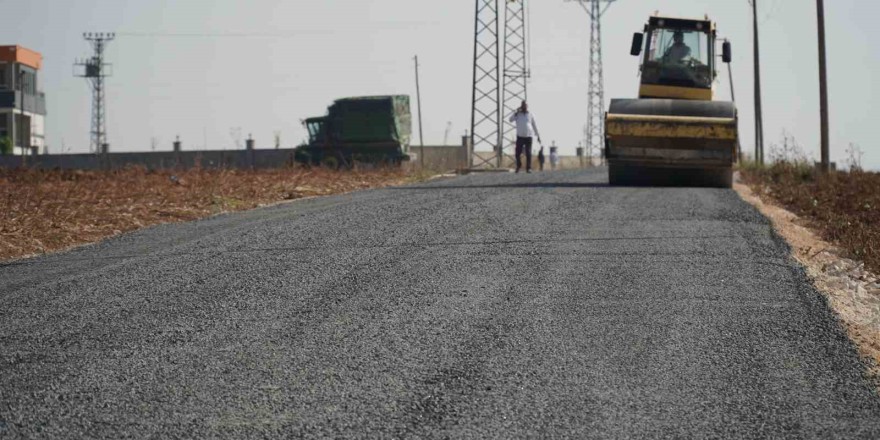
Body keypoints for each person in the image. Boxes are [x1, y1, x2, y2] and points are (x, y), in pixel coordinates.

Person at [508, 101, 542, 173]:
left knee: (528, 153)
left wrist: (538, 135)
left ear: (527, 106)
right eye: (523, 106)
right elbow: (510, 120)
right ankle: (519, 165)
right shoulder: (518, 115)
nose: (524, 107)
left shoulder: (530, 114)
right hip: (520, 136)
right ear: (521, 106)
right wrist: (516, 112)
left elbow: (534, 125)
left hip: (528, 136)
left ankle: (528, 168)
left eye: (526, 105)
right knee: (517, 153)